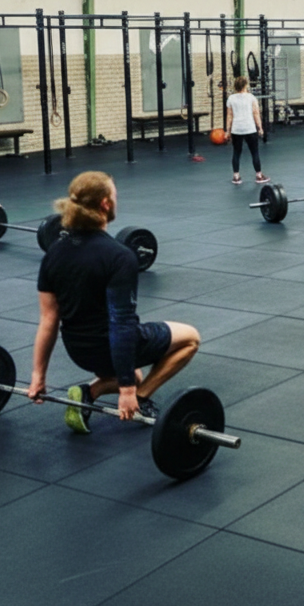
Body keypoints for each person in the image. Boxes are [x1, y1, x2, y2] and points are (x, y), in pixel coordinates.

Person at [30, 171, 201, 433]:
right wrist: (128, 392)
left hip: (78, 350)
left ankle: (90, 391)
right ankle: (143, 398)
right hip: (111, 347)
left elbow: (49, 320)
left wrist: (38, 377)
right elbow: (120, 324)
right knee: (191, 338)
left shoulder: (54, 253)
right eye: (114, 196)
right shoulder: (119, 256)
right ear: (105, 205)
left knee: (134, 372)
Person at [226, 76, 268, 185]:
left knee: (236, 152)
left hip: (236, 129)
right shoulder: (251, 97)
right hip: (249, 128)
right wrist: (260, 128)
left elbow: (229, 116)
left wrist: (227, 131)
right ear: (245, 85)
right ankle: (259, 176)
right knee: (254, 152)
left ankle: (236, 177)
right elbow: (256, 113)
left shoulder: (231, 98)